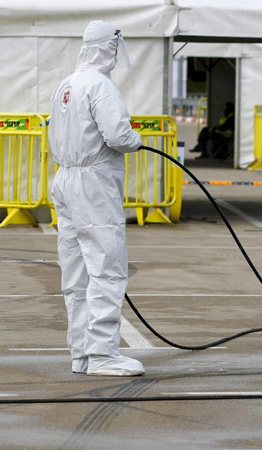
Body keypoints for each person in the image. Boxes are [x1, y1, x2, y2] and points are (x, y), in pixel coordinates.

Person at [49, 21, 145, 376]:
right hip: (93, 183)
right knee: (106, 268)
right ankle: (103, 353)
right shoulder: (100, 85)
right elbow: (118, 135)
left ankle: (82, 353)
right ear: (109, 48)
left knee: (76, 271)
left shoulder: (66, 84)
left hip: (65, 179)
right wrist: (134, 140)